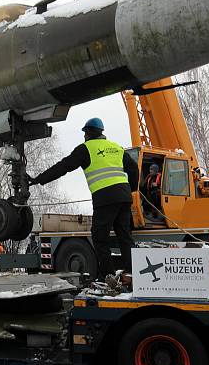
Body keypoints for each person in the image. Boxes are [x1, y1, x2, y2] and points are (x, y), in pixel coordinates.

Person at [28, 118, 139, 280]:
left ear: (88, 133)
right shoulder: (116, 147)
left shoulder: (86, 149)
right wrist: (132, 188)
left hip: (105, 198)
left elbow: (63, 166)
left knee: (100, 238)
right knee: (125, 237)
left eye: (85, 133)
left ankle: (107, 277)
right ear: (101, 132)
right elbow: (134, 168)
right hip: (124, 197)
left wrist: (39, 179)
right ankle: (132, 274)